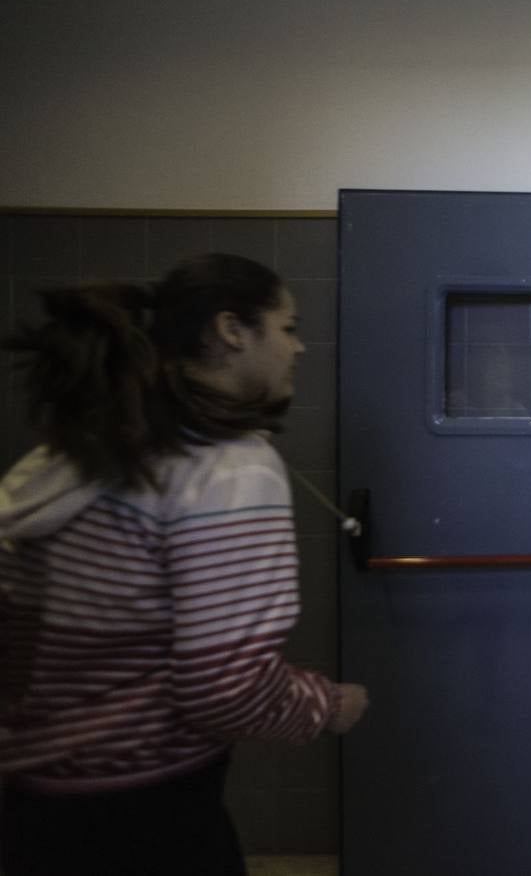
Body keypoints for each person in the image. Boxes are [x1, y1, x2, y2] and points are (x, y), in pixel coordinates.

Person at [0, 253, 369, 876]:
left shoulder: (70, 455)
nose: (299, 348)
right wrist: (328, 705)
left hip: (34, 803)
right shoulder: (225, 468)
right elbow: (224, 688)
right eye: (286, 327)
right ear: (231, 331)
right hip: (147, 819)